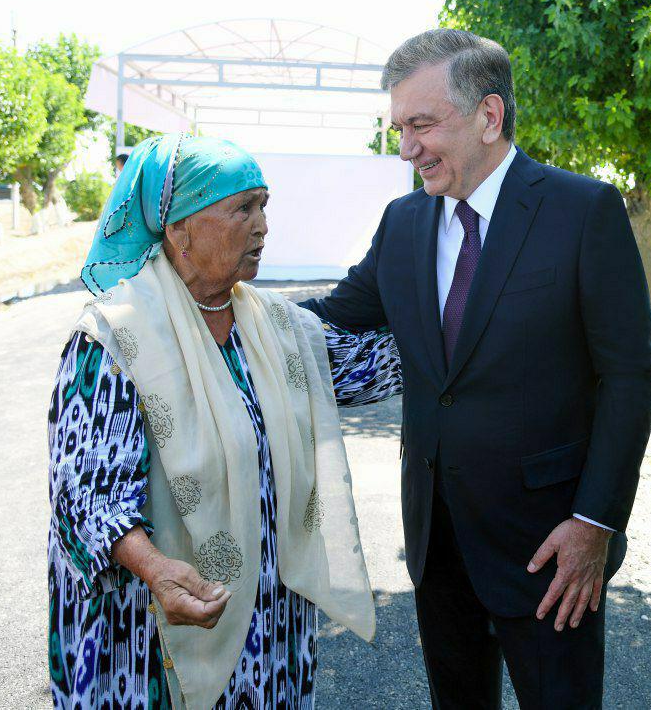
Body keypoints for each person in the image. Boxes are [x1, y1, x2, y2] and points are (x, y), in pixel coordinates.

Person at [302, 29, 651, 708]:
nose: (406, 148)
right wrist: (211, 303)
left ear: (489, 116)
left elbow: (630, 377)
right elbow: (334, 313)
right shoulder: (403, 223)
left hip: (552, 550)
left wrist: (595, 522)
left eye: (421, 124)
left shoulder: (584, 211)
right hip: (438, 545)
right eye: (398, 127)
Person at [48, 134, 401, 709]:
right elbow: (85, 496)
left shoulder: (275, 326)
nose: (262, 226)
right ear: (179, 230)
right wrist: (157, 569)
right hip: (161, 622)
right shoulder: (114, 340)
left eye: (265, 205)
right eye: (243, 208)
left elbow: (368, 369)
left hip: (269, 620)